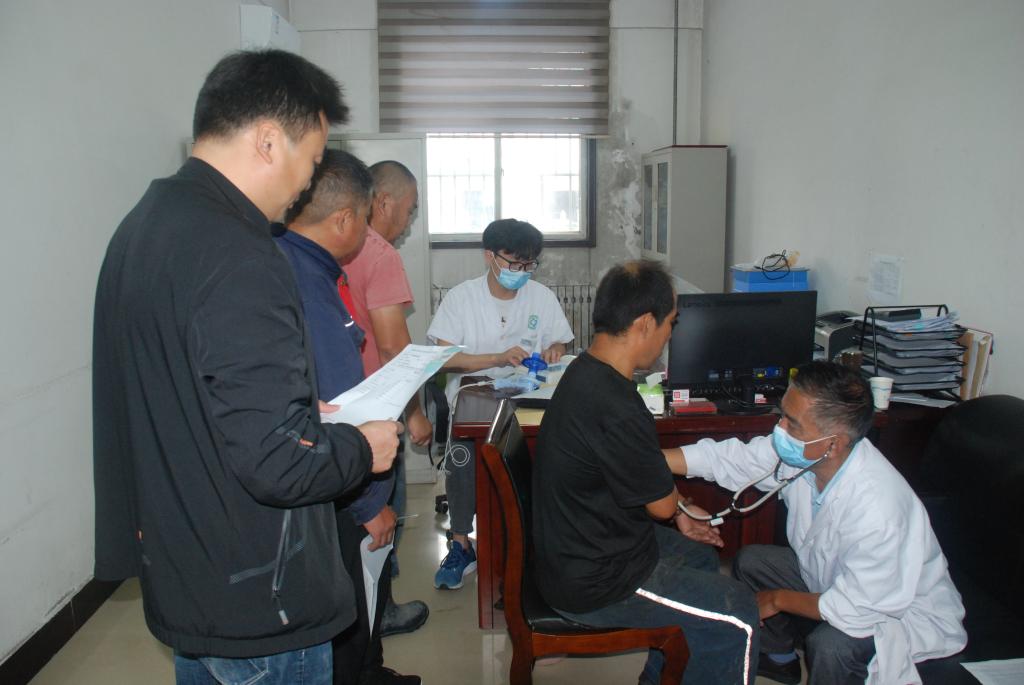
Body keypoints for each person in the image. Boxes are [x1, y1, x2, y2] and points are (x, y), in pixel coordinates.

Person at [92, 50, 402, 685]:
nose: (305, 186)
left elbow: (184, 395)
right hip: (262, 592)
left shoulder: (144, 225)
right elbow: (277, 464)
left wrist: (298, 412)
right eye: (310, 161)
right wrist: (360, 448)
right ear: (267, 141)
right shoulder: (242, 252)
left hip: (191, 573)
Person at [532, 259, 760, 685]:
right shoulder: (616, 404)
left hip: (580, 548)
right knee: (739, 613)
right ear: (644, 324)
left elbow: (638, 470)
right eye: (671, 322)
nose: (671, 333)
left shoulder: (586, 371)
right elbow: (659, 507)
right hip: (596, 580)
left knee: (701, 557)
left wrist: (682, 509)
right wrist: (677, 508)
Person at [670, 361, 967, 684]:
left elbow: (857, 608)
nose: (779, 429)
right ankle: (779, 658)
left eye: (792, 423)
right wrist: (651, 461)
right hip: (836, 581)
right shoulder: (811, 454)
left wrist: (777, 598)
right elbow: (732, 459)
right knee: (754, 562)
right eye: (782, 415)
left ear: (833, 443)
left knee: (830, 645)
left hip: (896, 615)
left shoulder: (880, 508)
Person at [276, 149, 419, 685]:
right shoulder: (307, 283)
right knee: (351, 594)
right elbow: (336, 406)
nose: (368, 233)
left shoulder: (292, 262)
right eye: (362, 218)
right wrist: (367, 505)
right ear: (344, 218)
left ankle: (370, 668)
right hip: (340, 473)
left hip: (326, 468)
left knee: (356, 594)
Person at [426, 218, 575, 590]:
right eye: (514, 263)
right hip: (474, 394)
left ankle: (534, 539)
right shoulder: (462, 298)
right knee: (463, 459)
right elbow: (443, 359)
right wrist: (496, 358)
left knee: (544, 454)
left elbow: (560, 341)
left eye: (529, 265)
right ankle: (461, 544)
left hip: (527, 394)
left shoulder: (540, 296)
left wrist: (555, 350)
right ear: (489, 256)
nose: (521, 272)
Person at [342, 160, 430, 636]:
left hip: (337, 405)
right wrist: (415, 412)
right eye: (410, 210)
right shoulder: (379, 254)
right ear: (384, 202)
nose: (409, 222)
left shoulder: (329, 248)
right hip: (377, 409)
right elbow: (395, 347)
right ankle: (381, 611)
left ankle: (358, 610)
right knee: (381, 507)